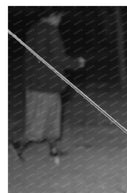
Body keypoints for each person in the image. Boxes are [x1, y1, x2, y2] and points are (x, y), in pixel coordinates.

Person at [15, 8, 85, 159]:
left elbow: (47, 57)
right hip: (44, 84)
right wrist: (77, 63)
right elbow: (58, 57)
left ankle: (53, 150)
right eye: (59, 17)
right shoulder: (50, 30)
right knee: (39, 122)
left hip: (41, 83)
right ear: (53, 16)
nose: (60, 21)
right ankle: (17, 146)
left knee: (52, 119)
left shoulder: (33, 30)